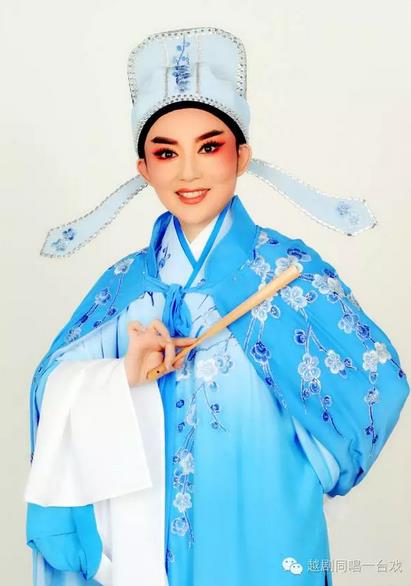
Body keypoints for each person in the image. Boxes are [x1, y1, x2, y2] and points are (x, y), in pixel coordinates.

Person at [24, 27, 410, 586]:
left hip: (264, 532)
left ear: (242, 155)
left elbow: (378, 382)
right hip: (144, 550)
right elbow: (48, 394)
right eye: (166, 153)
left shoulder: (286, 276)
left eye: (209, 147)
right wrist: (119, 378)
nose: (188, 172)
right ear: (143, 168)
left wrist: (307, 454)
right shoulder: (125, 288)